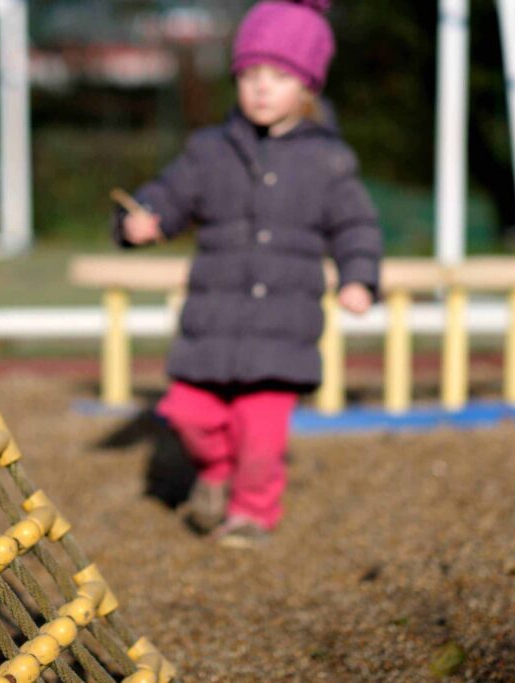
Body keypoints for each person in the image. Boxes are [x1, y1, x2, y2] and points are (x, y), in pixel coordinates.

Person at [114, 0, 382, 548]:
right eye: (250, 74)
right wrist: (142, 218)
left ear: (307, 87)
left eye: (279, 76)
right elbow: (167, 194)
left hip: (283, 334)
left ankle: (252, 513)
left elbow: (357, 226)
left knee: (261, 437)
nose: (261, 87)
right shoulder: (209, 151)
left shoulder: (329, 160)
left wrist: (359, 278)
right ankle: (214, 473)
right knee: (185, 414)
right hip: (211, 326)